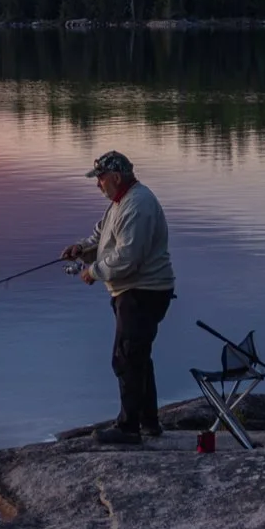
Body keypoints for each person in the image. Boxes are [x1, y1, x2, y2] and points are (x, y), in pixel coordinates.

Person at [59, 150, 176, 444]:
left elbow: (127, 257)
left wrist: (93, 272)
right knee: (138, 356)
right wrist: (81, 249)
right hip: (132, 291)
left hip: (144, 292)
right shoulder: (119, 203)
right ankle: (149, 422)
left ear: (115, 177)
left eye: (99, 178)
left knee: (126, 357)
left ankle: (128, 428)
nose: (97, 184)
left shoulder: (138, 205)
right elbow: (101, 238)